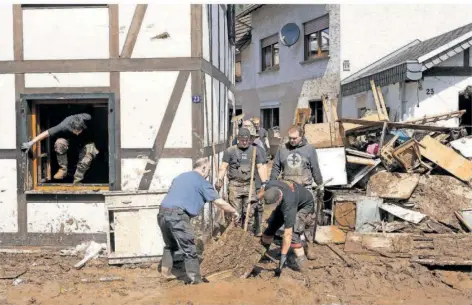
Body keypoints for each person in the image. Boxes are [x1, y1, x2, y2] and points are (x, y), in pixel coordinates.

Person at [158, 157, 239, 284]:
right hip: (178, 215)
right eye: (209, 170)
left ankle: (165, 272)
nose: (208, 174)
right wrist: (234, 211)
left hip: (162, 212)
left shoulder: (180, 176)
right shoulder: (201, 181)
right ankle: (195, 281)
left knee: (171, 245)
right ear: (203, 168)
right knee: (189, 249)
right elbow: (218, 201)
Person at [269, 125, 323, 250]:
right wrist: (272, 183)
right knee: (286, 217)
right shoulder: (282, 149)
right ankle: (288, 245)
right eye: (290, 138)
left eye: (295, 138)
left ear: (301, 136)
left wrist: (320, 184)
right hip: (288, 190)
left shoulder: (309, 149)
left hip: (305, 189)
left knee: (307, 219)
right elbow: (276, 168)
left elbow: (315, 168)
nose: (292, 141)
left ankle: (308, 246)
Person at [20, 113, 98, 184]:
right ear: (71, 127)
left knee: (87, 157)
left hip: (87, 141)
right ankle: (63, 170)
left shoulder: (87, 118)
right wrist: (31, 142)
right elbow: (47, 133)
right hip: (69, 141)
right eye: (75, 131)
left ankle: (77, 180)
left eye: (79, 131)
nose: (77, 133)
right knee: (59, 143)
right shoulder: (64, 125)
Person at [216, 127, 267, 233]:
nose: (244, 142)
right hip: (235, 185)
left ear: (249, 139)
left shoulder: (254, 150)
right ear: (238, 138)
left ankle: (247, 236)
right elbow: (223, 166)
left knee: (249, 212)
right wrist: (219, 179)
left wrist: (264, 182)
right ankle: (235, 236)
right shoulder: (230, 151)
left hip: (249, 185)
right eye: (242, 140)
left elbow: (260, 167)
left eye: (246, 140)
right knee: (236, 213)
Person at [260, 179, 313, 274]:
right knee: (271, 227)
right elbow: (263, 191)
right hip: (287, 201)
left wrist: (283, 256)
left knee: (293, 236)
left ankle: (304, 266)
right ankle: (262, 253)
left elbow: (287, 234)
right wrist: (256, 198)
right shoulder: (270, 185)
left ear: (279, 198)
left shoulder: (289, 205)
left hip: (304, 205)